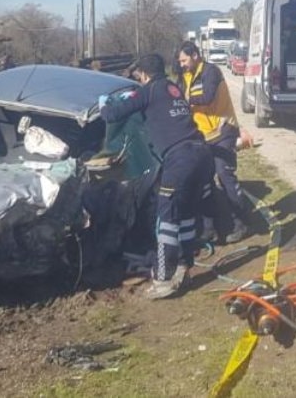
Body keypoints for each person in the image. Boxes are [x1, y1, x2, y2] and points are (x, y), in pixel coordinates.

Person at [99, 53, 213, 300]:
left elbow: (111, 116)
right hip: (201, 154)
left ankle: (163, 278)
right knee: (184, 215)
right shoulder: (173, 87)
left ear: (144, 74)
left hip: (180, 158)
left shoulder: (148, 91)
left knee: (167, 217)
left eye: (139, 75)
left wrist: (104, 104)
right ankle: (183, 265)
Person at [176, 41, 250, 243]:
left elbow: (207, 97)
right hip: (202, 134)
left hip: (222, 129)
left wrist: (185, 100)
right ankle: (209, 228)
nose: (182, 64)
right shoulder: (185, 75)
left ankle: (240, 222)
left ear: (195, 55)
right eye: (179, 61)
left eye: (184, 60)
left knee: (223, 173)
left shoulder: (211, 72)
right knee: (203, 179)